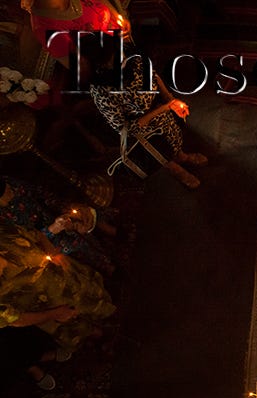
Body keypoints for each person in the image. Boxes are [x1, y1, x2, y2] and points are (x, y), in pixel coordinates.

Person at [88, 44, 207, 189]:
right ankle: (178, 172)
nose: (124, 59)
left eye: (122, 54)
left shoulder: (134, 60)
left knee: (174, 138)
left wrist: (169, 98)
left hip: (160, 112)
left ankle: (182, 157)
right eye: (117, 60)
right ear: (103, 65)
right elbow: (125, 127)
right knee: (160, 152)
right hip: (143, 129)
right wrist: (165, 107)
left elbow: (154, 76)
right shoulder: (101, 90)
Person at [0, 220, 116, 352]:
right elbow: (14, 319)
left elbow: (35, 235)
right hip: (54, 308)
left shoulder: (3, 232)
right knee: (84, 330)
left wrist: (51, 250)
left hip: (71, 278)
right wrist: (53, 314)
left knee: (101, 301)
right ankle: (102, 341)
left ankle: (115, 317)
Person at [0, 177, 114, 276]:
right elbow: (25, 243)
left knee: (85, 235)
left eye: (8, 188)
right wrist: (51, 230)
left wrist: (67, 209)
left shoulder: (11, 184)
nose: (10, 191)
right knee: (77, 259)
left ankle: (111, 261)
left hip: (57, 221)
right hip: (45, 248)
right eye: (5, 193)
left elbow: (44, 195)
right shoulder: (4, 223)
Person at [22, 0, 130, 68]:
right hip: (116, 69)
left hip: (127, 46)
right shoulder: (44, 28)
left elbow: (101, 2)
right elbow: (82, 68)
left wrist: (118, 16)